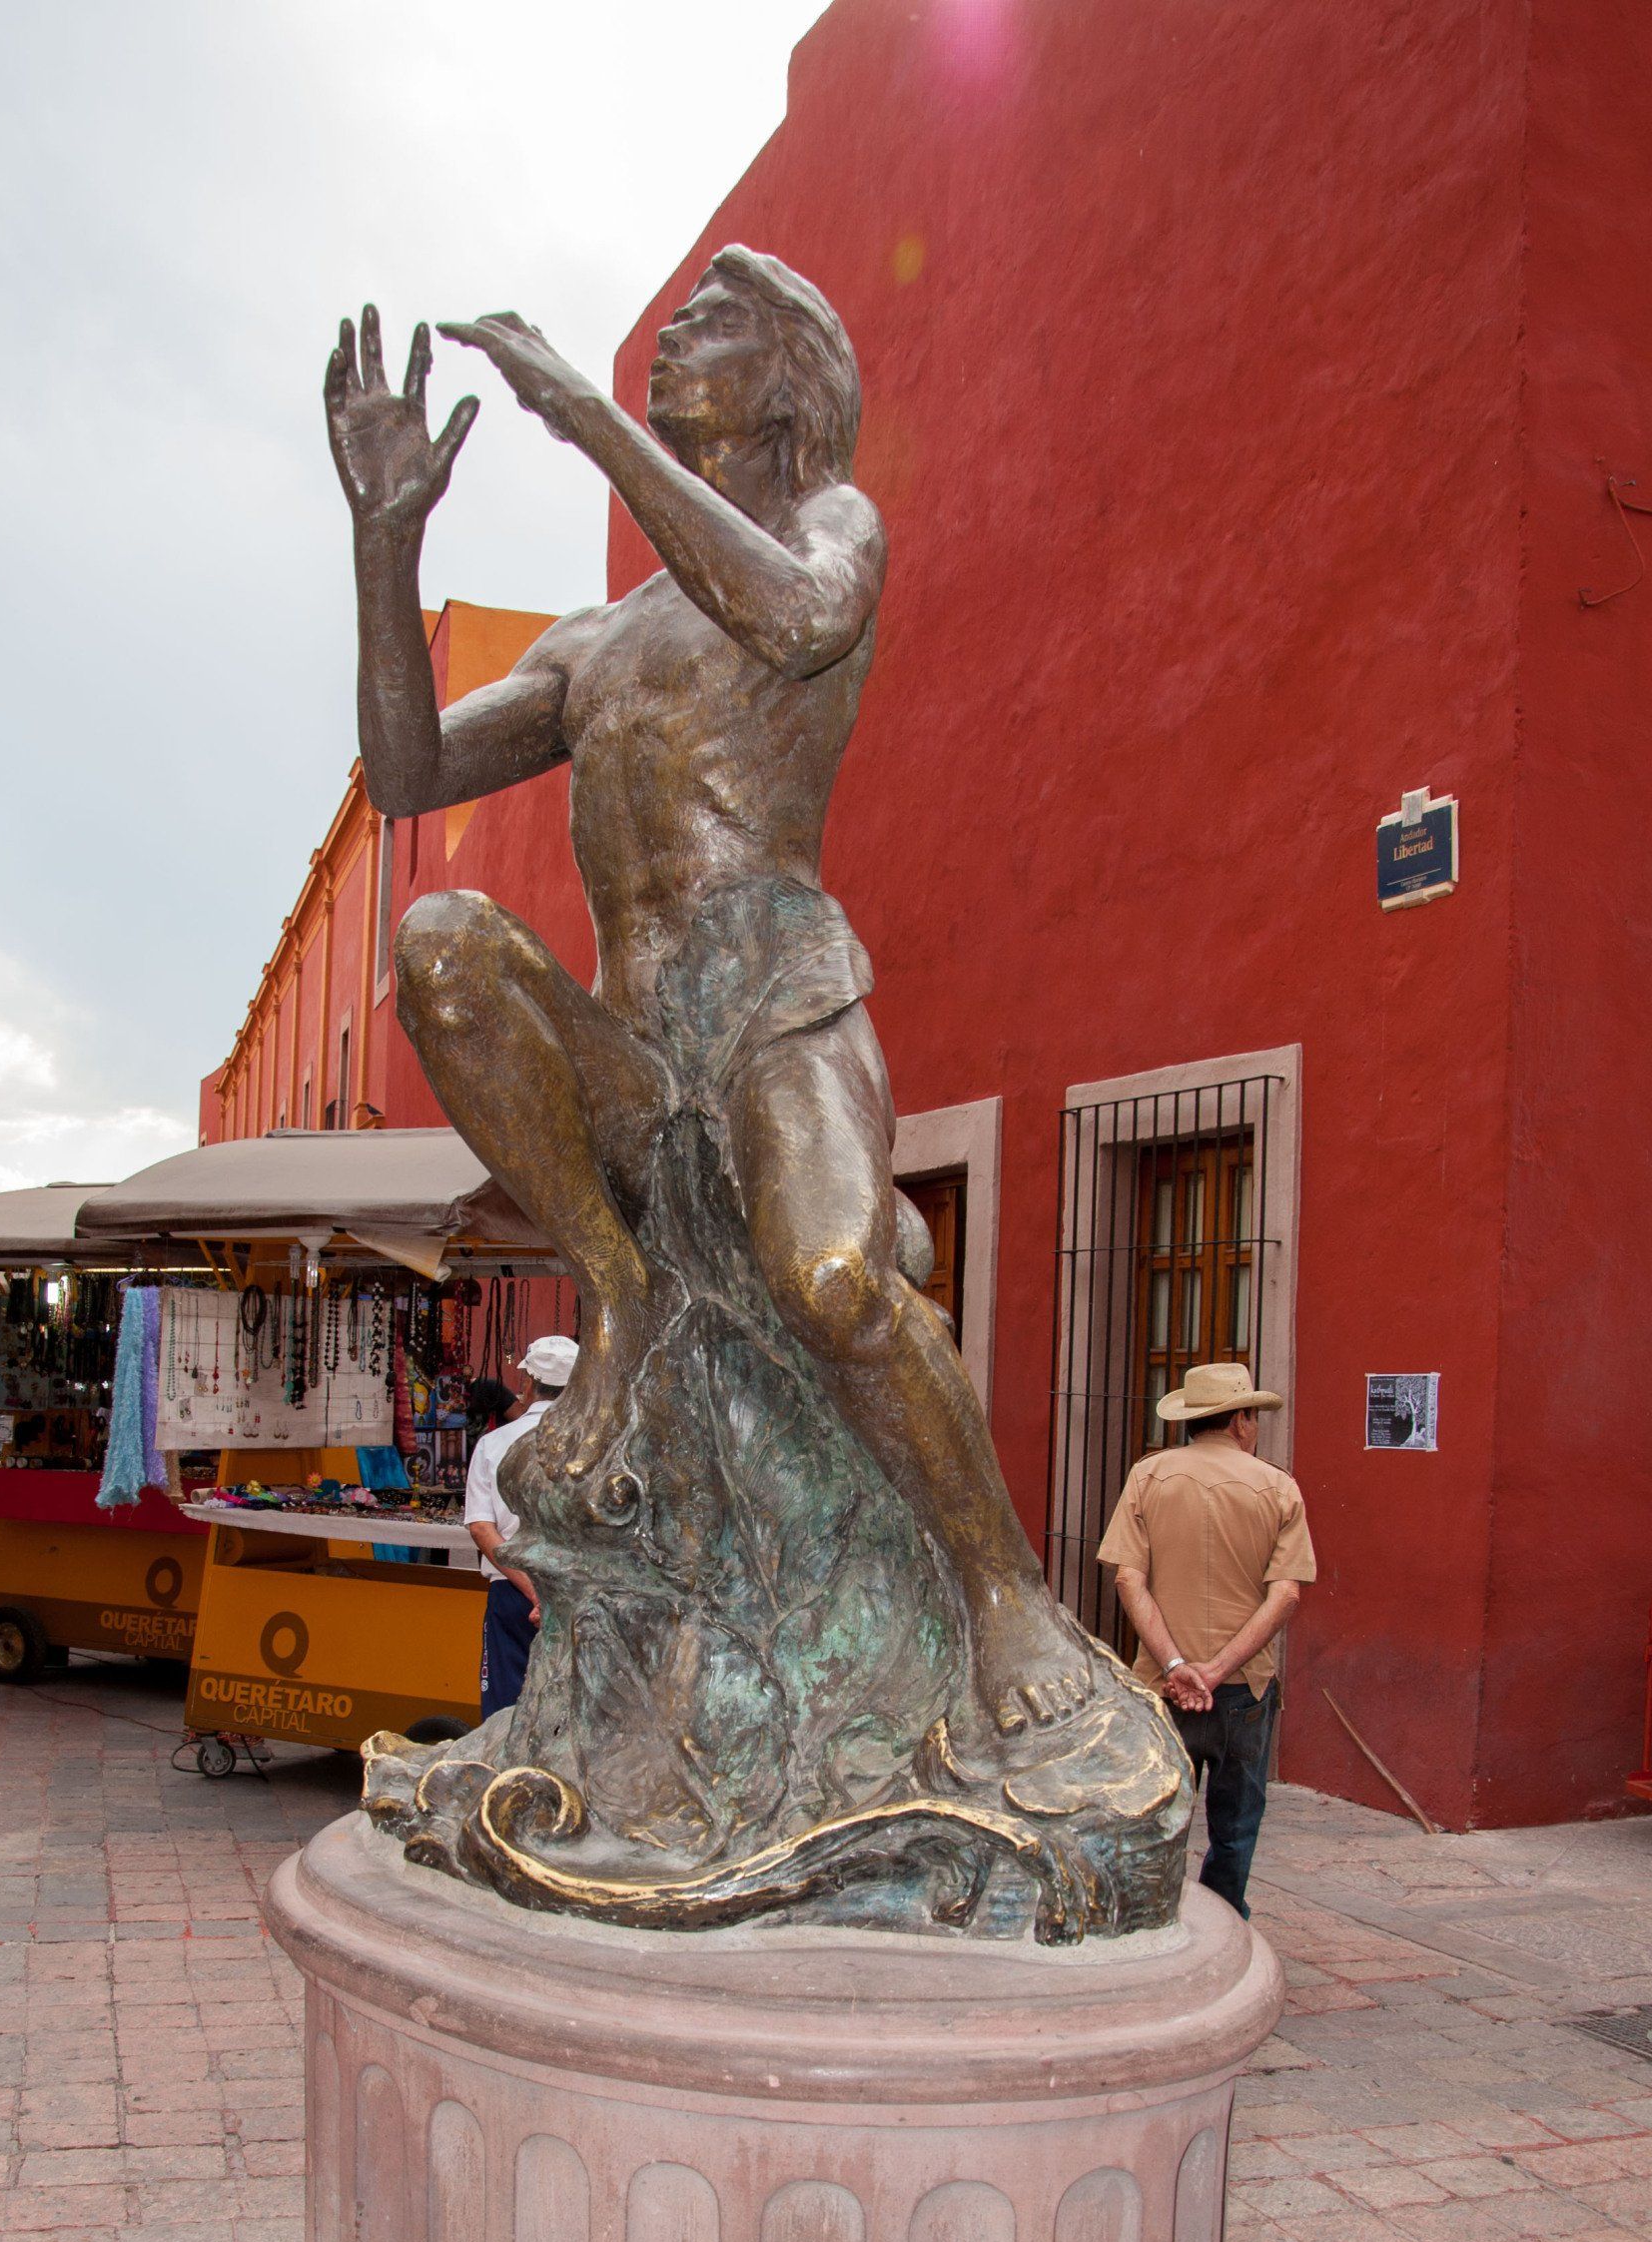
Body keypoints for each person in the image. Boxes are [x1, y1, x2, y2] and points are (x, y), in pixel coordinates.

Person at [326, 259, 1097, 1739]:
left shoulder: (831, 525)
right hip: (634, 1037)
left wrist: (583, 415)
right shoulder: (594, 640)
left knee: (835, 1279)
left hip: (775, 1000)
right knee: (439, 939)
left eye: (715, 322)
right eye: (670, 323)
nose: (674, 335)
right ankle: (618, 1287)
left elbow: (800, 619)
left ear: (793, 378)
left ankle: (1003, 1587)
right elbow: (409, 772)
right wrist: (383, 544)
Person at [1097, 1359, 1316, 1917]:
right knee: (1236, 1825)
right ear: (1240, 1420)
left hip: (1163, 1686)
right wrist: (1216, 1671)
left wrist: (1175, 1665)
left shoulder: (1148, 1476)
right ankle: (1224, 1922)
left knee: (1153, 1816)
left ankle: (1150, 1920)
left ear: (1191, 1419)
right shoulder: (1278, 1486)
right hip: (1243, 1686)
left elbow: (1127, 1579)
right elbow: (1286, 1595)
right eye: (1254, 1416)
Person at [461, 1335, 575, 1718]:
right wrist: (549, 1597)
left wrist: (533, 1593)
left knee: (505, 1714)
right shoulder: (595, 1446)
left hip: (512, 1593)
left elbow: (482, 1528)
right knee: (570, 1714)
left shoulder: (493, 1444)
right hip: (575, 1594)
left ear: (527, 1384)